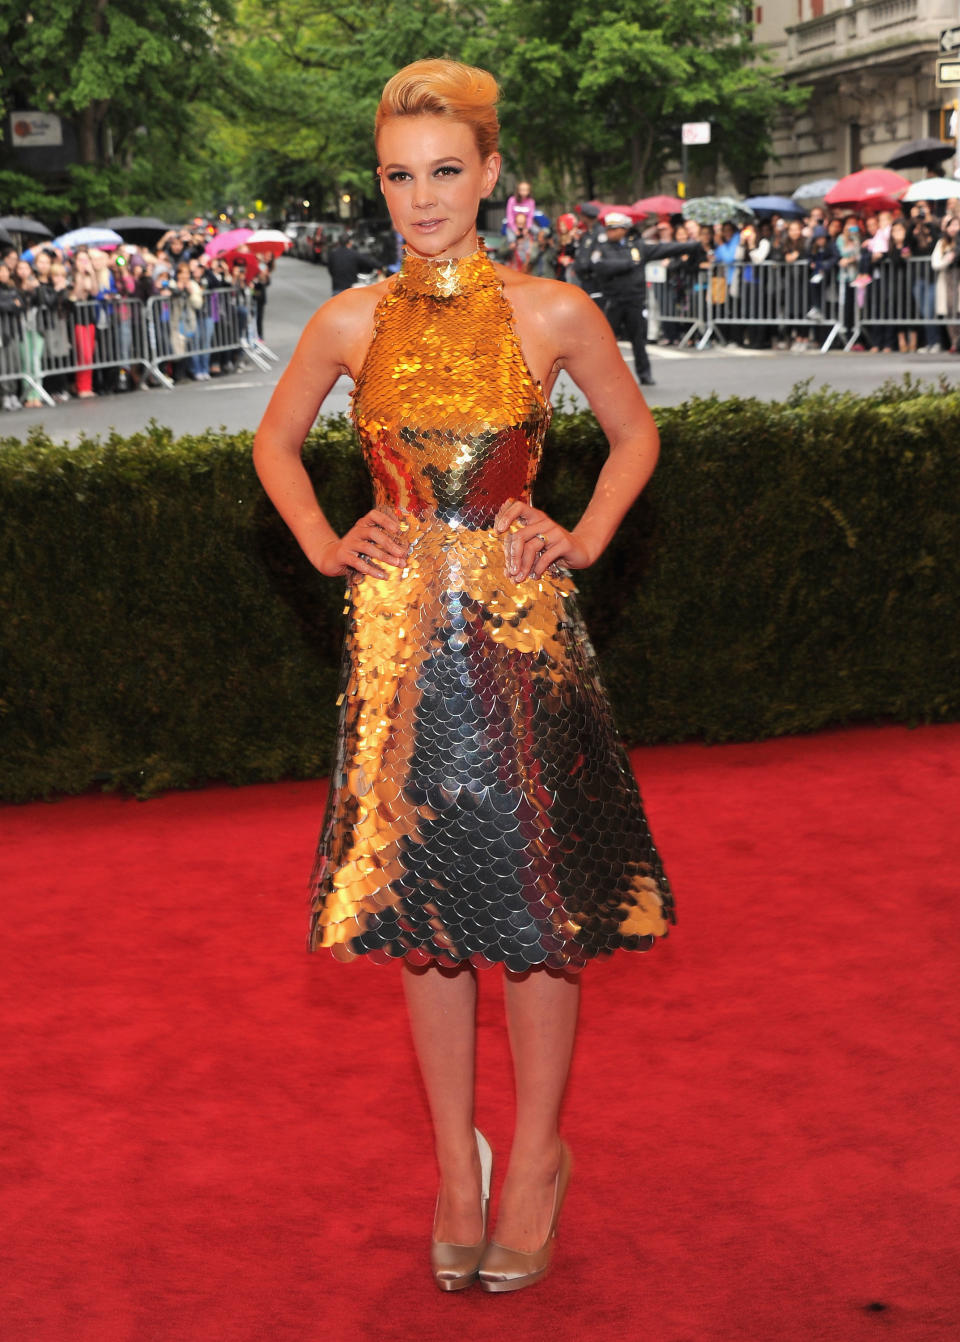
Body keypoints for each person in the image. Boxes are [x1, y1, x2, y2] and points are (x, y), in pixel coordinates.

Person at [252, 58, 674, 1296]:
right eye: (400, 174)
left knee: (538, 914)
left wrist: (582, 534)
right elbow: (275, 444)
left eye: (446, 170)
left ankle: (534, 1158)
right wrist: (330, 542)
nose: (422, 197)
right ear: (379, 184)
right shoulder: (349, 318)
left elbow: (636, 433)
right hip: (395, 647)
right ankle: (455, 1165)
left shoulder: (552, 313)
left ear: (491, 174)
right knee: (423, 921)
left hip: (520, 638)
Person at [585, 210, 701, 384]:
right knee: (605, 341)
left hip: (634, 300)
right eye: (608, 229)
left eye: (614, 229)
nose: (610, 232)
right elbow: (599, 266)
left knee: (638, 340)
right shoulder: (601, 247)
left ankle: (644, 374)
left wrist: (693, 246)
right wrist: (628, 264)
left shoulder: (637, 246)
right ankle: (601, 376)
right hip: (613, 300)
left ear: (624, 230)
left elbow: (664, 248)